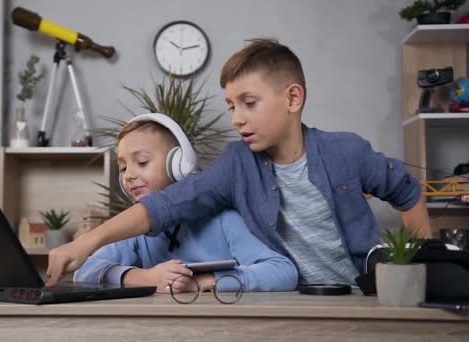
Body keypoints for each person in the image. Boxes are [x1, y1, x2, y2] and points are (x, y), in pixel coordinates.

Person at [45, 38, 432, 287]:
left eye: (249, 103)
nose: (237, 119)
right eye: (231, 106)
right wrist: (89, 241)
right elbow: (166, 205)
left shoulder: (347, 151)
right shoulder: (235, 164)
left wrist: (421, 272)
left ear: (293, 99)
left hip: (366, 295)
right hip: (296, 301)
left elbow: (407, 192)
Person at [73, 114, 298, 293]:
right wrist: (145, 278)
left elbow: (282, 271)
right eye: (123, 168)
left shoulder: (224, 218)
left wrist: (205, 281)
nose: (129, 175)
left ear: (177, 164)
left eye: (141, 162)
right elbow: (84, 270)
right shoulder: (136, 230)